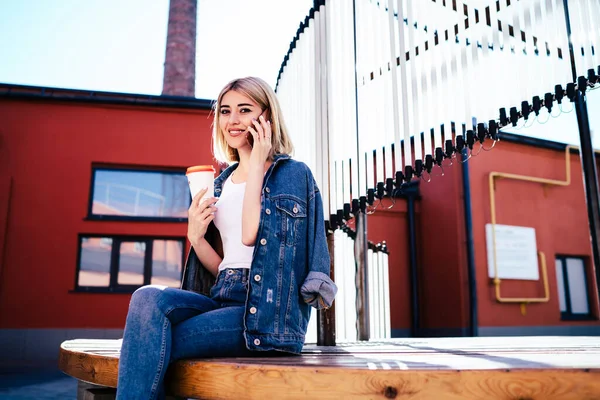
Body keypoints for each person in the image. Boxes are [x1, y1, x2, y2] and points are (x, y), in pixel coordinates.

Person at [115, 76, 337, 400]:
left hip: (264, 311)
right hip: (222, 296)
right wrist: (196, 237)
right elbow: (223, 265)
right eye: (225, 111)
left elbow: (250, 235)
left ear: (267, 117)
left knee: (153, 343)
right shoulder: (220, 182)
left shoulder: (293, 174)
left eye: (244, 110)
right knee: (148, 299)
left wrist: (258, 162)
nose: (232, 120)